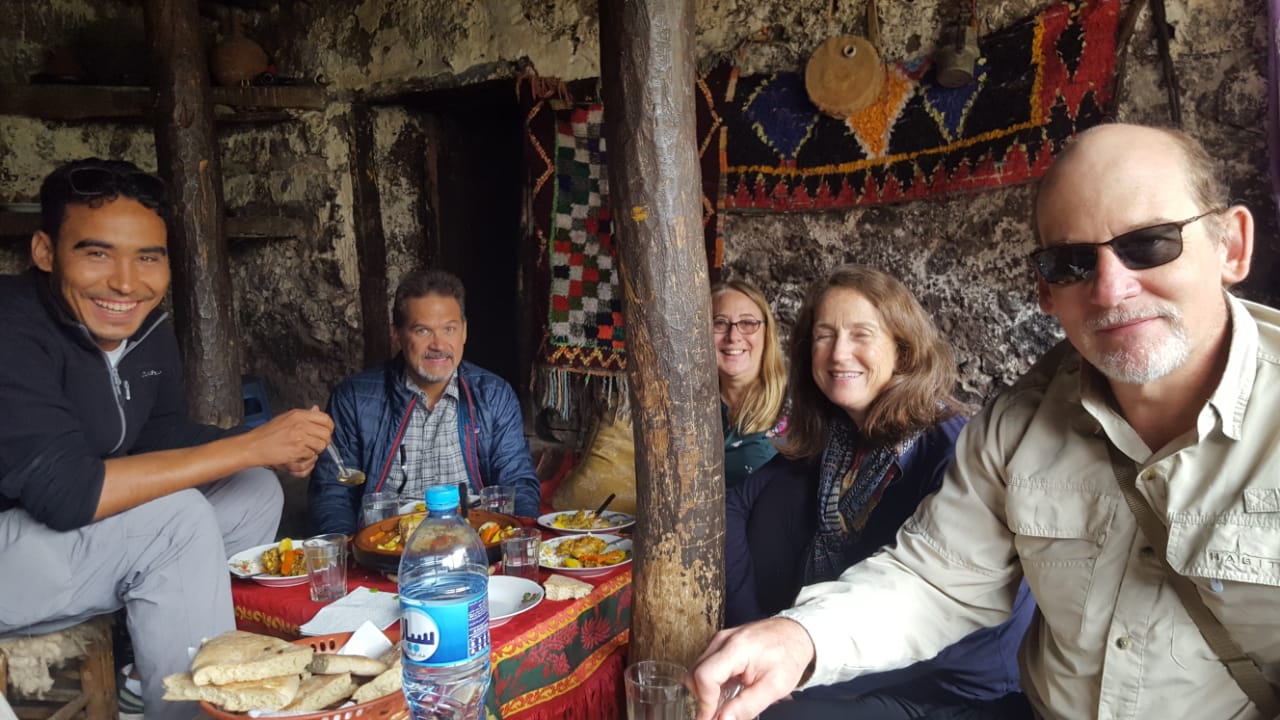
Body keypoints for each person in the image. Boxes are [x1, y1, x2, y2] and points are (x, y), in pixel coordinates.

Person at [693, 122, 1280, 720]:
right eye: (1071, 261)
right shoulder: (1014, 429)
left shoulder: (943, 437)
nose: (1110, 287)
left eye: (1150, 243)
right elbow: (937, 579)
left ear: (1231, 245)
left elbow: (973, 662)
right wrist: (798, 639)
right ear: (1045, 291)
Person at [0, 158, 334, 720]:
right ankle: (192, 709)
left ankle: (149, 670)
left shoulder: (143, 327)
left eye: (148, 257)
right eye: (97, 252)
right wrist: (251, 444)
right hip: (14, 548)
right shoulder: (12, 328)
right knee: (175, 523)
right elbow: (67, 493)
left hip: (65, 546)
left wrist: (266, 448)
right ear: (44, 251)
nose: (127, 283)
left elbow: (161, 435)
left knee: (252, 488)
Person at [724, 265, 1033, 718]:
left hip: (952, 691)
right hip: (852, 665)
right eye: (824, 336)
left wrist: (806, 664)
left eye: (861, 334)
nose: (838, 353)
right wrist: (754, 626)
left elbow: (946, 624)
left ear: (903, 351)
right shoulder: (837, 441)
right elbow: (735, 505)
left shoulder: (949, 451)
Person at [309, 269, 541, 534]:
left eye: (449, 329)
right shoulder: (354, 397)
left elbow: (517, 482)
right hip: (387, 546)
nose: (438, 344)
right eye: (422, 330)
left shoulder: (493, 395)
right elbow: (332, 492)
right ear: (397, 334)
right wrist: (352, 553)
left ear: (464, 331)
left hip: (473, 542)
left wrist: (517, 541)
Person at [712, 279, 787, 488]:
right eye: (719, 323)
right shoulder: (688, 406)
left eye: (747, 323)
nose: (733, 336)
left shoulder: (797, 403)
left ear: (767, 333)